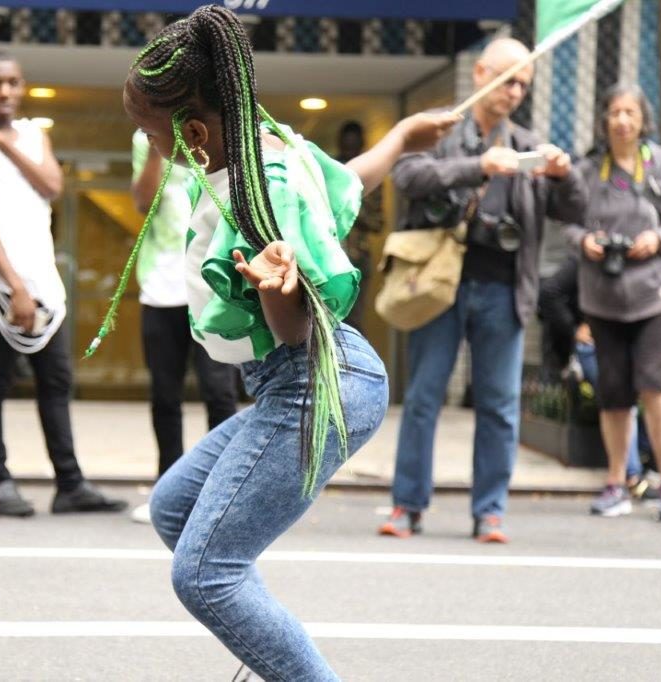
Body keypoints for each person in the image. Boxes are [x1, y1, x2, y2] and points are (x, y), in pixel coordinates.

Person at [108, 6, 458, 678]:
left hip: (313, 382)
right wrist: (408, 134)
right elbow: (352, 179)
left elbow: (296, 332)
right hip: (297, 381)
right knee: (174, 506)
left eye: (152, 137)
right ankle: (272, 656)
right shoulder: (274, 152)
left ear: (196, 132)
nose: (151, 149)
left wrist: (280, 290)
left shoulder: (253, 192)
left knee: (204, 576)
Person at [379, 38, 585, 543]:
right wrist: (479, 166)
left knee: (498, 404)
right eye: (506, 79)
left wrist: (563, 176)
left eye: (522, 85)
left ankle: (490, 510)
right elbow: (406, 174)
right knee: (424, 397)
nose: (514, 91)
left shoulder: (528, 144)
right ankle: (407, 505)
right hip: (439, 283)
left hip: (505, 289)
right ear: (479, 73)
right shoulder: (440, 127)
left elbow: (576, 210)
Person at [0, 51, 126, 518]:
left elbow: (51, 185)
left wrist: (5, 142)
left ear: (22, 86)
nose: (3, 92)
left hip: (42, 279)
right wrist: (15, 288)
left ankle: (70, 485)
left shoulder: (32, 133)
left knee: (56, 381)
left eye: (11, 83)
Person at [565, 83, 661, 521]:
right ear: (605, 121)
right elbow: (565, 225)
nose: (622, 120)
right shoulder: (588, 169)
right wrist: (585, 240)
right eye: (615, 112)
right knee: (614, 391)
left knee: (656, 384)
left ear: (644, 120)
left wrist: (656, 239)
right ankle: (616, 482)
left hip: (657, 294)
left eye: (630, 113)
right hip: (604, 297)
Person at [129, 128, 238, 524]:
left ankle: (222, 494)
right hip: (161, 288)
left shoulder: (212, 135)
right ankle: (167, 490)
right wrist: (160, 150)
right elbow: (143, 202)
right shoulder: (148, 141)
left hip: (212, 290)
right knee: (165, 395)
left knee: (219, 392)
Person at [538, 256, 661, 504]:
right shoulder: (590, 253)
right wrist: (574, 329)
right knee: (621, 398)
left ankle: (647, 450)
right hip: (602, 342)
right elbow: (549, 293)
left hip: (646, 342)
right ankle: (629, 477)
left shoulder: (653, 249)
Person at [335, 121, 384, 331]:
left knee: (354, 321)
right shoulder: (331, 170)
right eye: (346, 145)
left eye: (354, 145)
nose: (349, 150)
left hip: (357, 257)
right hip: (330, 252)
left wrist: (351, 203)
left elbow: (377, 223)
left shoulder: (371, 176)